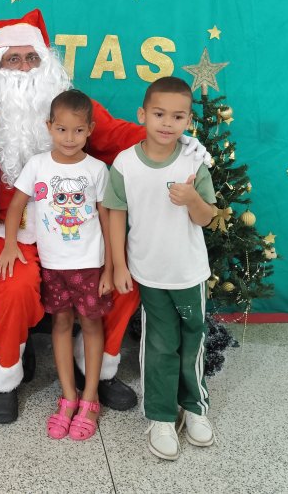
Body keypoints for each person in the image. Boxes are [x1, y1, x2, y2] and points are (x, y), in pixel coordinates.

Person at [0, 9, 210, 423]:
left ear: (46, 62)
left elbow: (119, 133)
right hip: (10, 233)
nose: (23, 68)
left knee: (124, 281)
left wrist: (178, 143)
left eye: (31, 58)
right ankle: (5, 377)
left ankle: (96, 370)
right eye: (12, 59)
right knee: (15, 287)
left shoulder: (67, 106)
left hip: (78, 234)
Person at [104, 76, 217, 461]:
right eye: (159, 114)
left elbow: (206, 218)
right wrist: (119, 265)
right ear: (142, 115)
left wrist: (192, 199)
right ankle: (161, 415)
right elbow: (116, 215)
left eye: (178, 116)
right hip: (149, 274)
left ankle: (195, 407)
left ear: (188, 121)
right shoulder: (125, 163)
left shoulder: (193, 161)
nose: (168, 123)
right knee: (159, 344)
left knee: (193, 341)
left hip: (189, 273)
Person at [0, 90, 112, 441]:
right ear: (49, 127)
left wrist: (110, 266)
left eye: (78, 131)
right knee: (61, 324)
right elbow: (16, 206)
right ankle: (68, 396)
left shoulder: (96, 170)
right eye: (62, 129)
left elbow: (107, 219)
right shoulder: (37, 165)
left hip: (90, 265)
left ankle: (90, 398)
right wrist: (10, 244)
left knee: (90, 326)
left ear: (90, 129)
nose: (69, 138)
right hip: (53, 265)